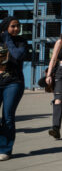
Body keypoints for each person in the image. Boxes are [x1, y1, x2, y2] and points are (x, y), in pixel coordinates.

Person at [0, 16, 27, 160]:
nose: (16, 29)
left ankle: (5, 149)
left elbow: (17, 55)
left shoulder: (21, 42)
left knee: (8, 116)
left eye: (18, 26)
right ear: (5, 27)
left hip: (13, 82)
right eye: (13, 26)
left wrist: (7, 39)